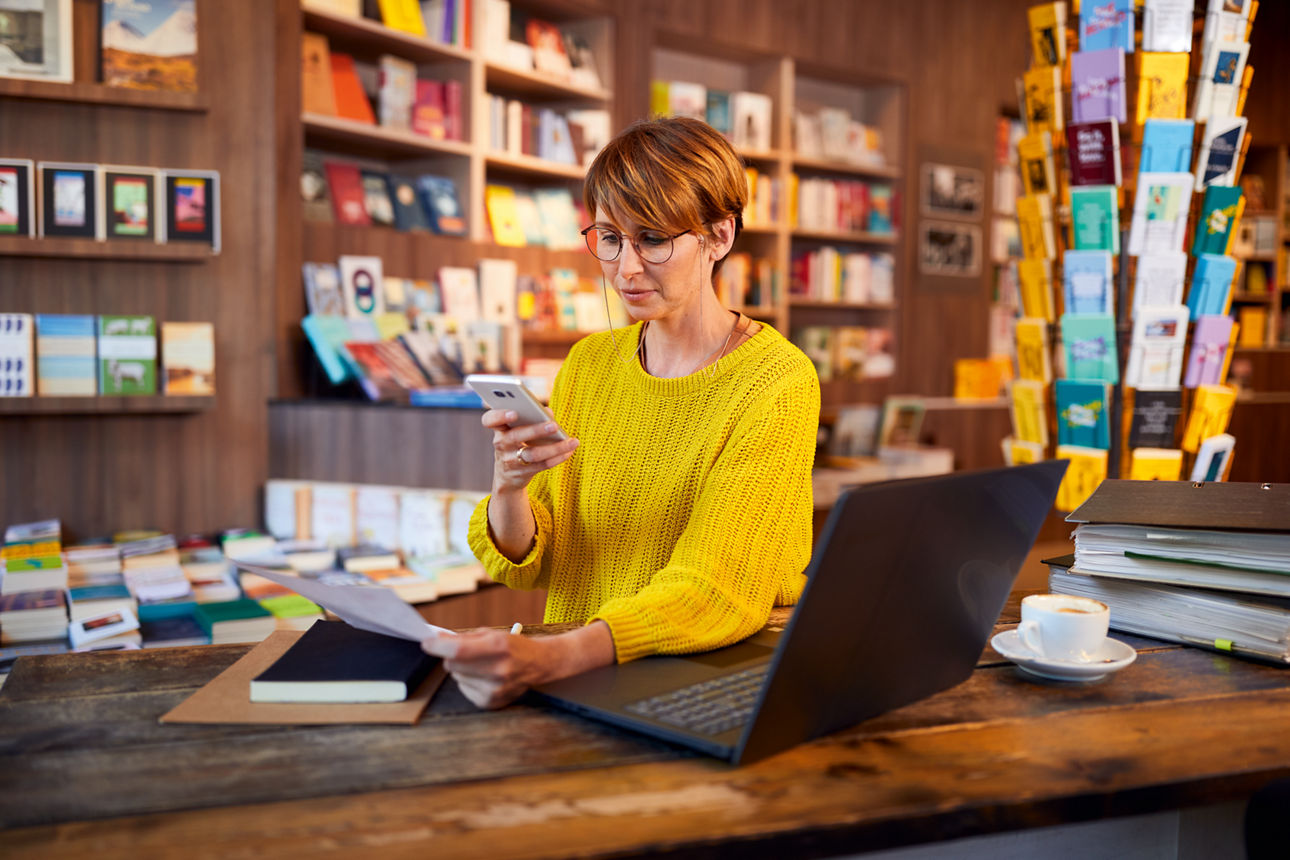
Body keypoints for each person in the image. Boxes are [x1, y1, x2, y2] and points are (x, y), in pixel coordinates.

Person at [421, 116, 820, 708]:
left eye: (653, 239)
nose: (625, 269)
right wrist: (510, 490)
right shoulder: (589, 364)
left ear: (721, 235)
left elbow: (715, 589)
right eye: (610, 238)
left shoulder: (775, 380)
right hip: (577, 684)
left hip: (697, 691)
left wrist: (555, 655)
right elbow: (535, 565)